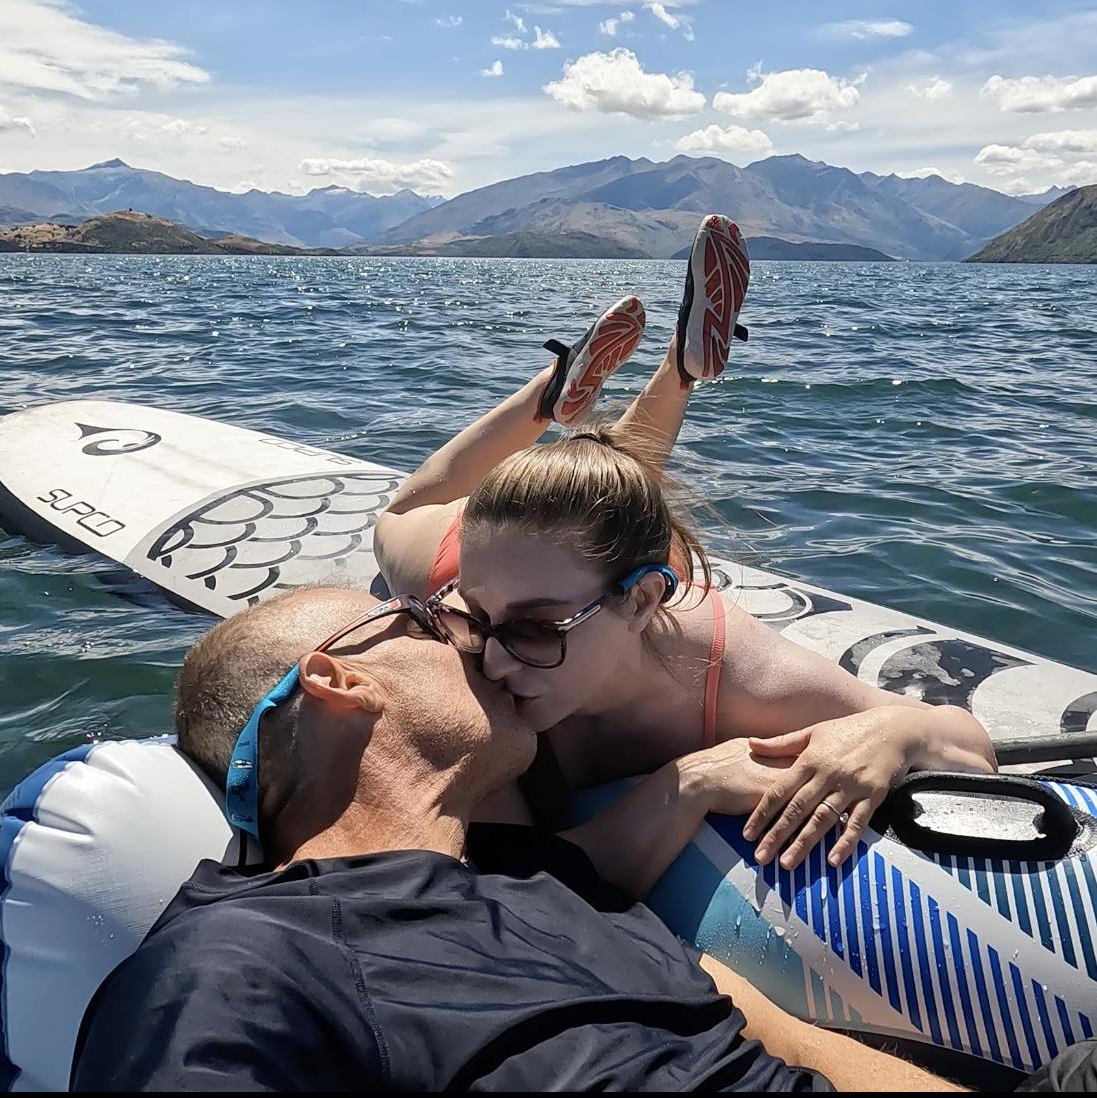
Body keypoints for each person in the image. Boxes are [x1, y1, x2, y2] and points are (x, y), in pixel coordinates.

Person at [72, 587, 963, 1092]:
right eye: (433, 624)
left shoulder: (547, 884)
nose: (487, 651)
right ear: (340, 679)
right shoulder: (241, 962)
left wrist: (690, 780)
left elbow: (786, 1050)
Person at [373, 214, 997, 898]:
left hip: (545, 559)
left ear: (646, 600)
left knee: (597, 502)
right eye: (476, 622)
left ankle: (591, 387)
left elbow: (963, 739)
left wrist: (895, 734)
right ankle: (616, 379)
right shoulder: (466, 641)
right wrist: (687, 784)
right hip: (489, 554)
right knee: (400, 519)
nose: (489, 662)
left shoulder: (736, 673)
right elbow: (502, 886)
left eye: (534, 628)